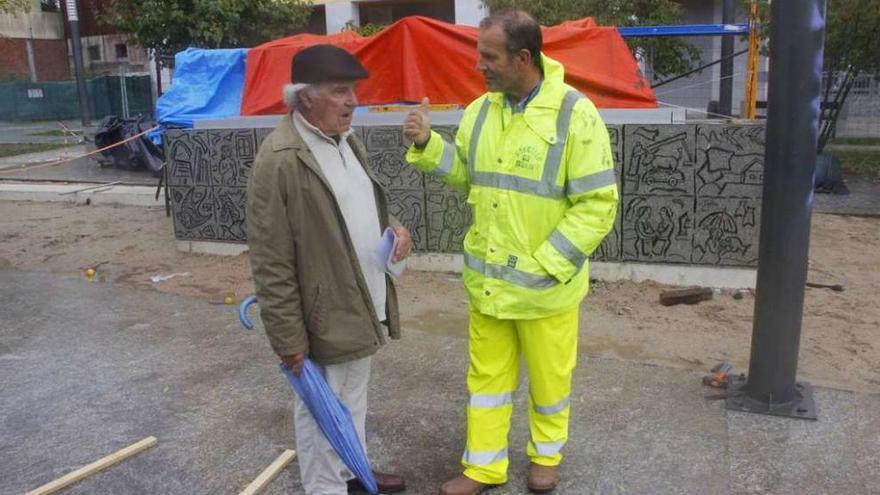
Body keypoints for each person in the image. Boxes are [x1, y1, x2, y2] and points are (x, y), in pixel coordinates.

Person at [403, 10, 619, 495]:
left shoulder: (573, 113)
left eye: (489, 57)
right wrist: (427, 144)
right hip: (489, 285)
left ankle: (546, 457)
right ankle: (483, 467)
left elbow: (598, 203)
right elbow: (466, 173)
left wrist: (549, 266)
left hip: (545, 290)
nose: (480, 66)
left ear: (524, 58)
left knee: (549, 381)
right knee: (487, 382)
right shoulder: (482, 110)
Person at [246, 44, 410, 495]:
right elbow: (270, 259)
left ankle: (350, 472)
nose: (353, 101)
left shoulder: (345, 140)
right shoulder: (280, 159)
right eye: (340, 92)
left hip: (360, 301)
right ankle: (325, 487)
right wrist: (288, 341)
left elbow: (358, 208)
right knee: (322, 414)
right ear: (305, 98)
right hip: (323, 317)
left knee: (351, 401)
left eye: (353, 91)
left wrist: (393, 229)